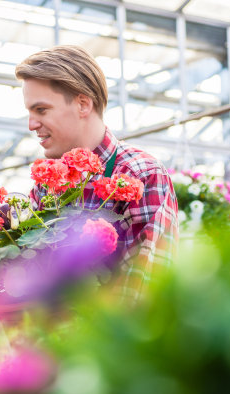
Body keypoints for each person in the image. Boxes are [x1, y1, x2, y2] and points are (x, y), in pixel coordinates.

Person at [15, 45, 178, 300]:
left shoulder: (141, 175)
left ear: (82, 104)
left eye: (41, 110)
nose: (31, 124)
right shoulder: (46, 185)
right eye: (30, 112)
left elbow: (143, 290)